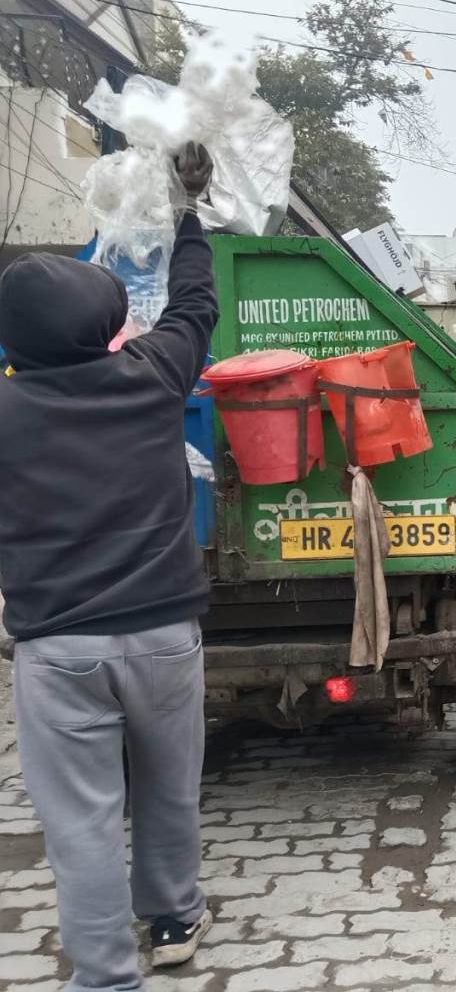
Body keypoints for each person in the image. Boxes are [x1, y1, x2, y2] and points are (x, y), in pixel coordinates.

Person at [0, 144, 219, 992]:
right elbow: (196, 304)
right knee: (169, 790)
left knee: (84, 824)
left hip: (57, 652)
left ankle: (106, 977)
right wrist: (187, 211)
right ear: (105, 325)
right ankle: (173, 915)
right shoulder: (148, 374)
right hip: (165, 636)